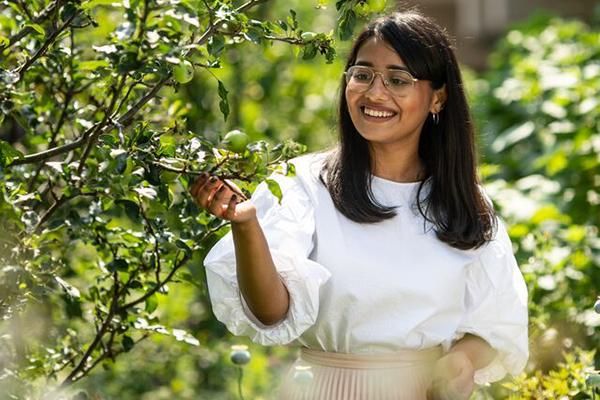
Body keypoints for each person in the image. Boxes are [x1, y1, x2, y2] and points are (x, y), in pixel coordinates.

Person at [190, 9, 528, 400]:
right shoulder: (303, 184)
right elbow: (272, 312)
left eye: (398, 80)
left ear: (438, 97)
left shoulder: (463, 202)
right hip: (325, 389)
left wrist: (462, 360)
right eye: (362, 74)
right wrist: (246, 224)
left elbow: (494, 320)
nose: (374, 93)